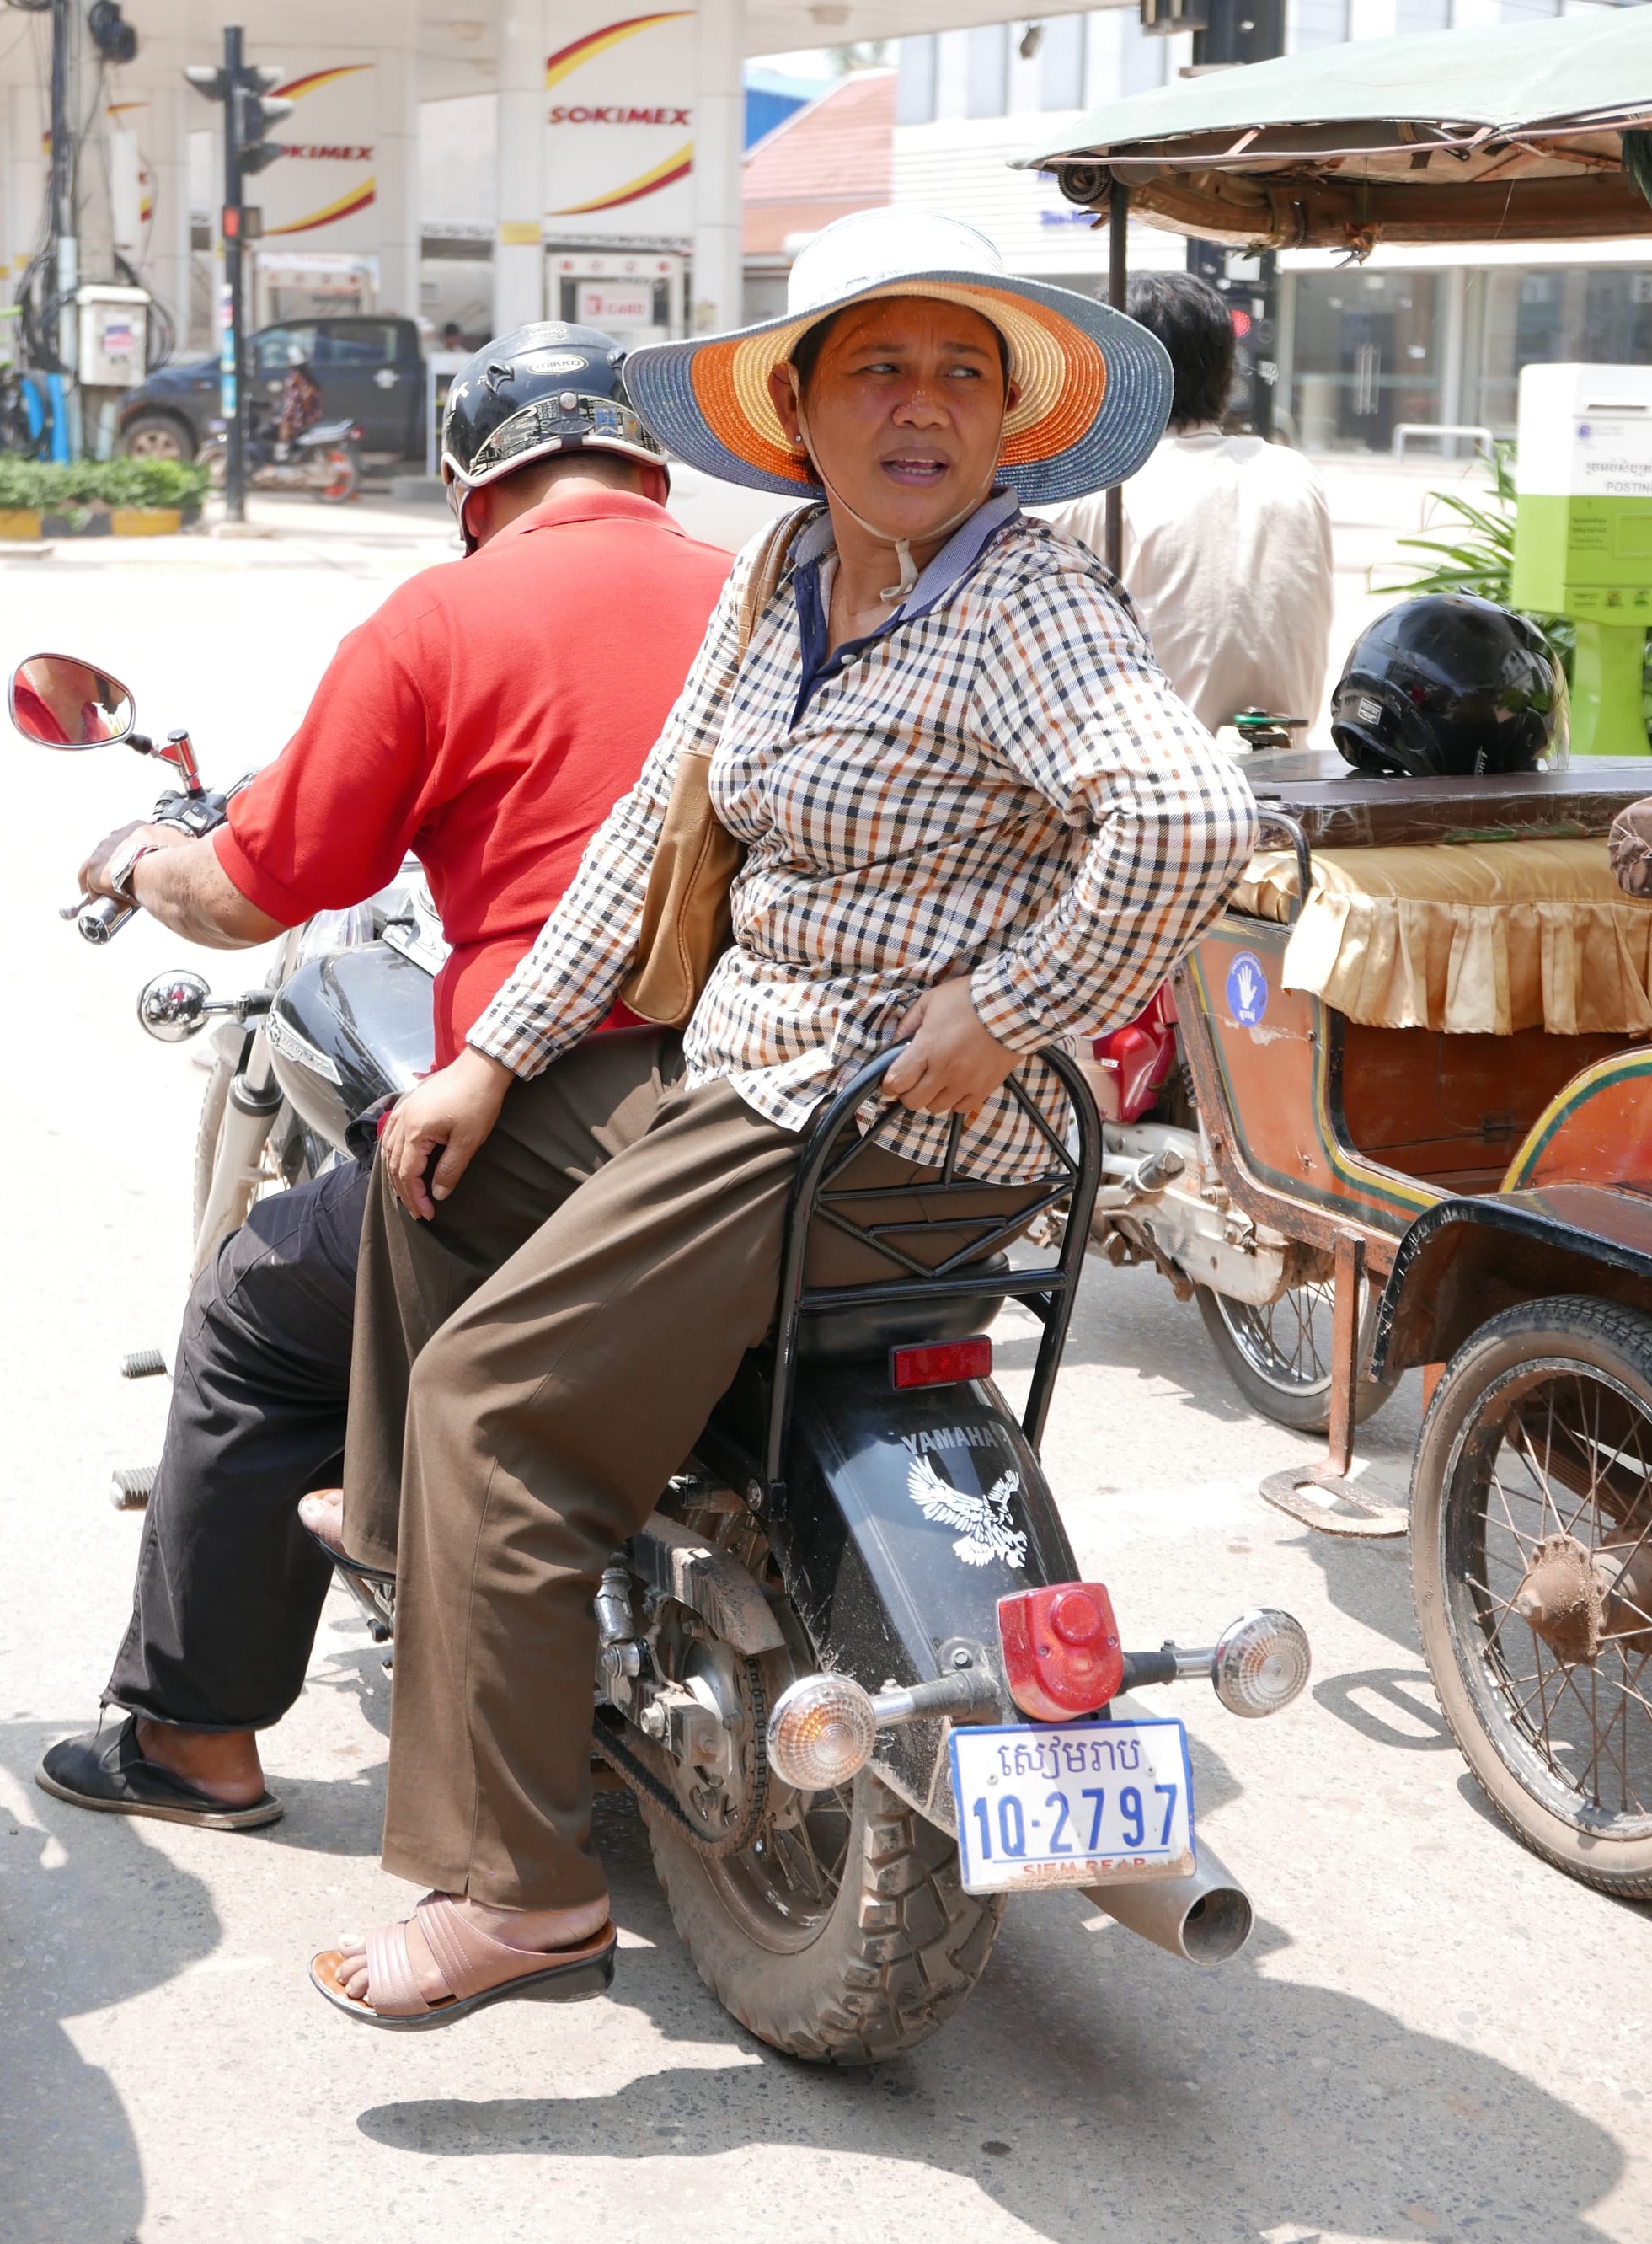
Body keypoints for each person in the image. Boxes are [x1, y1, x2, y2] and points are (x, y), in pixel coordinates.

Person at [306, 207, 1260, 2027]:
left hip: (869, 1126)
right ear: (800, 412)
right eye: (880, 369)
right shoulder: (796, 575)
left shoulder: (1017, 595)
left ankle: (523, 1891)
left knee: (486, 1404)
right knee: (435, 1160)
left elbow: (1187, 821)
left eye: (961, 375)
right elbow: (651, 828)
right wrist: (493, 1051)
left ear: (1008, 422)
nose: (922, 407)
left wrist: (1006, 1009)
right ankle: (437, 1569)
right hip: (747, 1070)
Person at [35, 324, 734, 1833]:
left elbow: (258, 885)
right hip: (793, 1115)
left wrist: (154, 851)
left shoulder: (445, 616)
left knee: (253, 1306)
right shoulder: (764, 598)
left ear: (474, 483)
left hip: (576, 1125)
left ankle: (195, 1741)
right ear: (650, 463)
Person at [1056, 270, 1334, 741]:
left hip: (1153, 786)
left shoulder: (1091, 492)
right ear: (1226, 370)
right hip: (1291, 766)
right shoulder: (1294, 474)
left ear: (1114, 372)